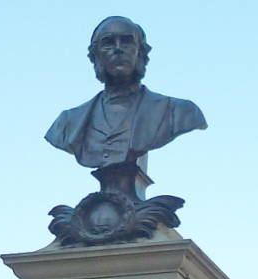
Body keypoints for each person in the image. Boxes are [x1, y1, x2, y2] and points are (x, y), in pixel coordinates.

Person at [45, 16, 207, 171]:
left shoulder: (178, 111)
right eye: (108, 42)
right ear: (96, 55)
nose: (118, 48)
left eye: (127, 41)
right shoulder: (67, 122)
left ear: (140, 51)